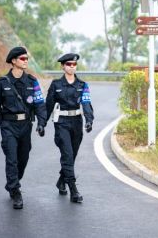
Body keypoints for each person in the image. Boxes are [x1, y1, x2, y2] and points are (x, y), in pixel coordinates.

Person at [0, 46, 48, 209]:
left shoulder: (33, 82)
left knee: (23, 157)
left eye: (27, 59)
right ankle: (15, 190)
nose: (26, 61)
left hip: (26, 125)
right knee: (11, 158)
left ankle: (13, 181)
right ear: (13, 61)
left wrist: (42, 123)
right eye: (22, 59)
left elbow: (40, 104)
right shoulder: (2, 82)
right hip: (8, 126)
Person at [45, 53, 95, 203]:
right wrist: (42, 123)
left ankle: (61, 181)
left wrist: (89, 120)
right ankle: (73, 190)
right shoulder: (56, 85)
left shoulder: (82, 85)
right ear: (62, 66)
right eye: (68, 64)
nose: (71, 67)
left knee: (71, 156)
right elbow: (48, 106)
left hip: (76, 123)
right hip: (61, 123)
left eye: (74, 64)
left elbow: (86, 103)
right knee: (67, 155)